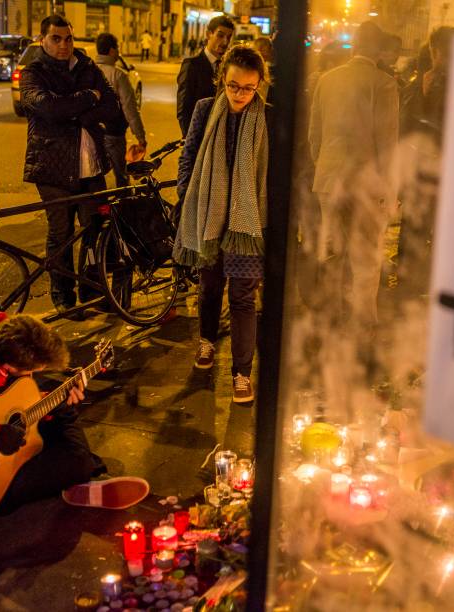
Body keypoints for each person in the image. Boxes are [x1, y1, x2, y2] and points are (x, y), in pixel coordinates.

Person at [0, 312, 149, 514]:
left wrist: (53, 399)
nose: (34, 373)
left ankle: (66, 474)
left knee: (61, 408)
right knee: (75, 462)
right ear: (7, 366)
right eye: (31, 370)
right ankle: (69, 477)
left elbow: (4, 397)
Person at [174, 45, 271, 404]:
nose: (240, 95)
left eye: (248, 88)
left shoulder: (269, 117)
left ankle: (242, 373)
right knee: (210, 286)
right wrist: (188, 198)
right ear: (222, 80)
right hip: (209, 217)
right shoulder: (205, 109)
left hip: (248, 224)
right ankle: (206, 341)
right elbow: (189, 154)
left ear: (259, 84)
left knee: (244, 297)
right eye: (233, 86)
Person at [20, 15, 119, 321]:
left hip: (92, 166)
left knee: (94, 231)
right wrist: (88, 98)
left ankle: (91, 290)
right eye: (56, 39)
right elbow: (46, 106)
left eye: (68, 39)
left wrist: (76, 113)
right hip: (53, 167)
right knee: (61, 233)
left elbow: (112, 105)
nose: (64, 45)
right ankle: (63, 296)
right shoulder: (33, 72)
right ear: (43, 41)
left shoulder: (87, 66)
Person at [308, 21, 399, 335]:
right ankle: (362, 322)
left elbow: (313, 136)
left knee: (332, 251)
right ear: (378, 49)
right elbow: (386, 143)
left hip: (329, 180)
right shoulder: (384, 84)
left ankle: (329, 317)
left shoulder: (327, 80)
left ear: (356, 45)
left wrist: (326, 168)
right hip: (364, 184)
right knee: (365, 257)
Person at [96, 32, 147, 187]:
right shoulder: (118, 75)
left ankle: (99, 208)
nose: (118, 52)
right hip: (113, 134)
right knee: (121, 176)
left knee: (95, 176)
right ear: (112, 51)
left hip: (90, 133)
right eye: (117, 48)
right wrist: (140, 136)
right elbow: (130, 108)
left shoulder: (88, 71)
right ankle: (124, 207)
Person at [176, 15, 235, 136]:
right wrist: (190, 141)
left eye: (228, 37)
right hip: (200, 136)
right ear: (209, 34)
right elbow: (184, 109)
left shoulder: (229, 67)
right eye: (220, 35)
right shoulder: (192, 65)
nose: (225, 42)